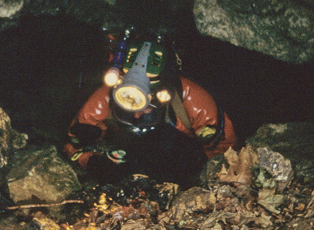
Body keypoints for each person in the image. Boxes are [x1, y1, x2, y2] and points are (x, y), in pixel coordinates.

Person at [64, 34, 237, 186]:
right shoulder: (104, 98)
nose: (136, 115)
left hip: (176, 159)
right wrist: (92, 161)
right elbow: (72, 145)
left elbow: (225, 149)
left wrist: (202, 180)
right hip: (129, 157)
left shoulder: (191, 99)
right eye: (127, 109)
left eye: (146, 109)